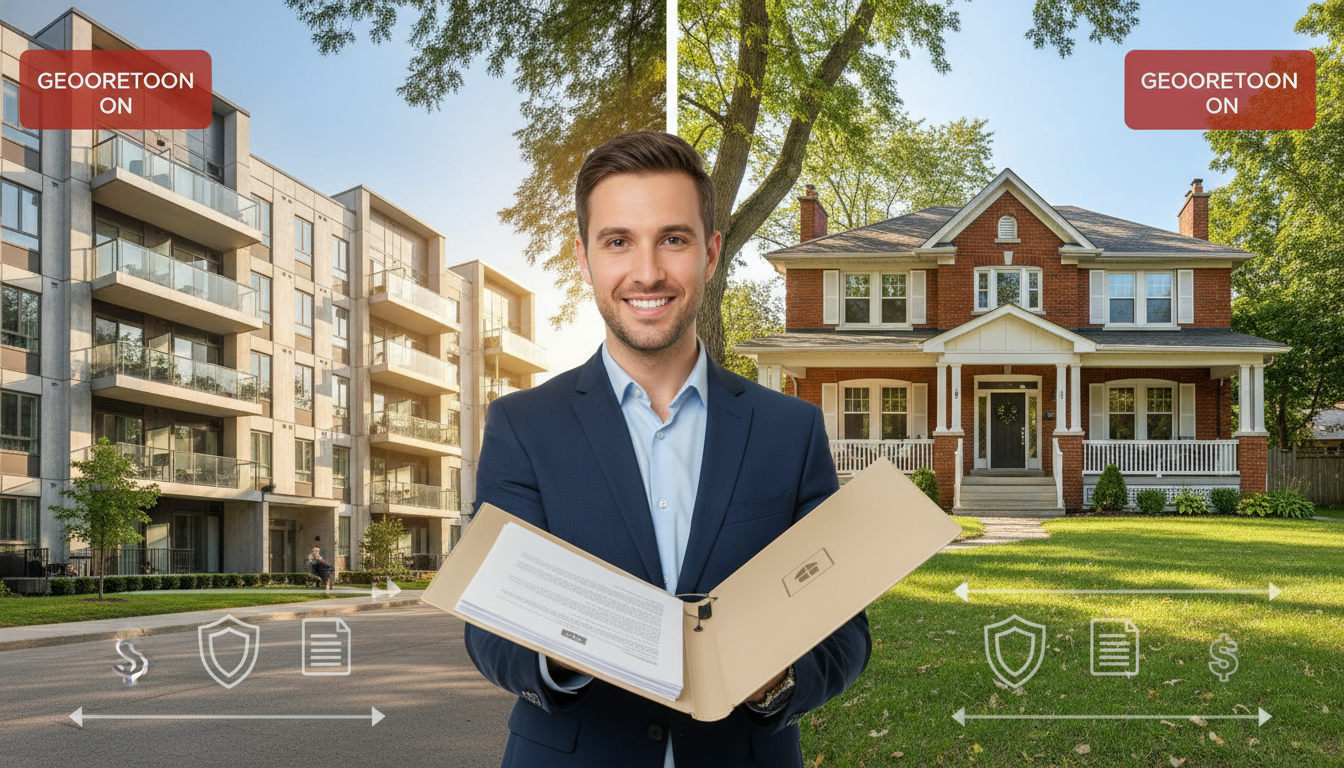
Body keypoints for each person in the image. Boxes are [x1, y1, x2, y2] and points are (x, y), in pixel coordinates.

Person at [464, 131, 870, 767]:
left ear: (710, 254)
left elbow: (845, 633)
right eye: (618, 241)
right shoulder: (522, 426)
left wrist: (775, 680)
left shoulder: (790, 430)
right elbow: (489, 630)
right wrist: (564, 651)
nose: (648, 272)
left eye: (673, 239)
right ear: (584, 258)